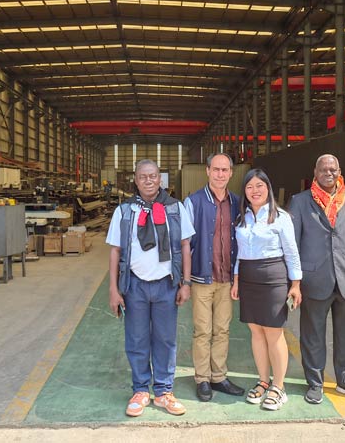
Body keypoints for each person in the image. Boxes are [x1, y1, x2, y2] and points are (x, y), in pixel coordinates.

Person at [106, 159, 195, 417]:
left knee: (166, 339)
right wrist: (114, 288)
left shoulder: (175, 209)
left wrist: (186, 283)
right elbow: (115, 250)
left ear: (160, 179)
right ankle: (141, 390)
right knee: (136, 339)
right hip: (135, 286)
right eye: (143, 176)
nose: (148, 180)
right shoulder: (124, 211)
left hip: (167, 285)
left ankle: (164, 391)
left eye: (153, 176)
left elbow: (186, 246)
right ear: (135, 180)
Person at [286, 154, 345, 405]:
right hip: (314, 280)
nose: (329, 173)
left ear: (339, 171)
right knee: (312, 335)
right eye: (324, 169)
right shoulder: (300, 202)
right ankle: (315, 383)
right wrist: (294, 282)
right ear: (315, 171)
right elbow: (293, 245)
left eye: (333, 169)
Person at [230, 168, 302, 411]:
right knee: (256, 332)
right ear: (245, 192)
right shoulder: (243, 217)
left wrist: (295, 284)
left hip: (273, 278)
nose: (255, 190)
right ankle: (263, 381)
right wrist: (237, 280)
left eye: (260, 185)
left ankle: (279, 387)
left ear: (268, 188)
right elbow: (239, 253)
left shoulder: (280, 217)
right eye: (250, 186)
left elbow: (292, 253)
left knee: (273, 333)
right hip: (248, 279)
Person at [184, 153, 244, 402]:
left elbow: (242, 241)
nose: (220, 174)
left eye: (225, 170)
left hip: (226, 279)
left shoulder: (238, 202)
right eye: (216, 169)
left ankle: (218, 376)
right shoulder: (193, 201)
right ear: (207, 171)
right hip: (201, 278)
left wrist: (238, 278)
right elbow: (184, 243)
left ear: (231, 173)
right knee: (203, 331)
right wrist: (185, 281)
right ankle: (202, 379)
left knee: (222, 330)